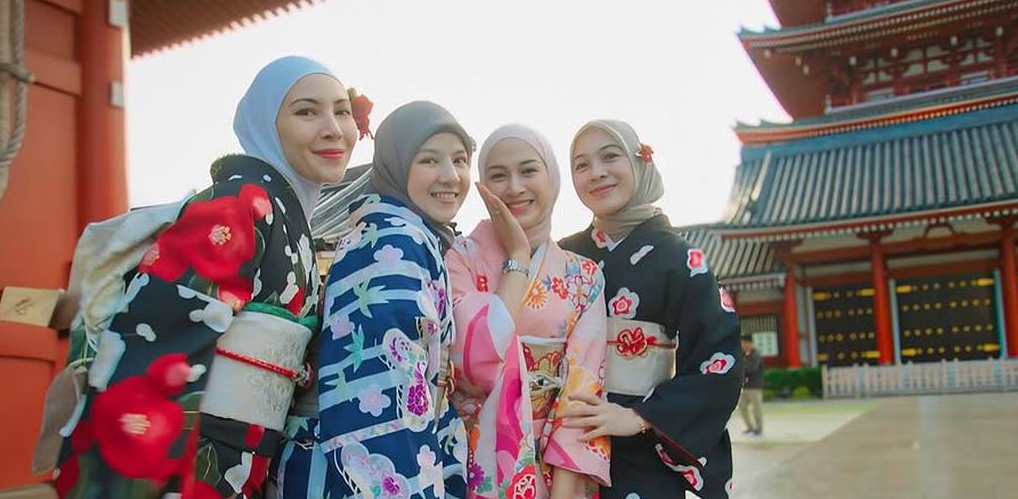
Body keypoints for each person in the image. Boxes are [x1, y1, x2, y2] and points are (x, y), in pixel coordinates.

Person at [53, 56, 360, 498]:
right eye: (306, 111)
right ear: (266, 126)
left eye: (342, 110)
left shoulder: (286, 220)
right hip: (196, 458)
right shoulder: (237, 206)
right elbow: (156, 343)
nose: (333, 128)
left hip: (247, 456)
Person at [274, 101, 471, 499]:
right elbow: (386, 390)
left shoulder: (402, 234)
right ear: (395, 166)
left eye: (461, 160)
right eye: (429, 160)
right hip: (364, 467)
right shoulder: (392, 243)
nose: (451, 176)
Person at [559, 120, 742, 499]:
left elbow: (718, 360)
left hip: (641, 449)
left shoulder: (680, 258)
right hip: (564, 440)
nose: (597, 173)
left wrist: (640, 417)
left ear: (640, 162)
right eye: (581, 164)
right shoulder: (563, 255)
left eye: (610, 157)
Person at [446, 125, 610, 499]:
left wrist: (564, 491)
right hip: (470, 457)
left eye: (528, 171)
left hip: (555, 467)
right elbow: (471, 366)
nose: (515, 187)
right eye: (498, 176)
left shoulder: (583, 275)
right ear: (482, 186)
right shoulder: (459, 258)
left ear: (551, 177)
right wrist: (518, 257)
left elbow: (581, 390)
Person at [738, 335, 764, 437]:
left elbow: (752, 368)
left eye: (744, 343)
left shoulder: (756, 354)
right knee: (742, 407)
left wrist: (741, 366)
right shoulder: (742, 353)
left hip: (754, 385)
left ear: (750, 343)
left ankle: (759, 428)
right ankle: (750, 427)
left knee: (756, 408)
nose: (742, 345)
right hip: (744, 385)